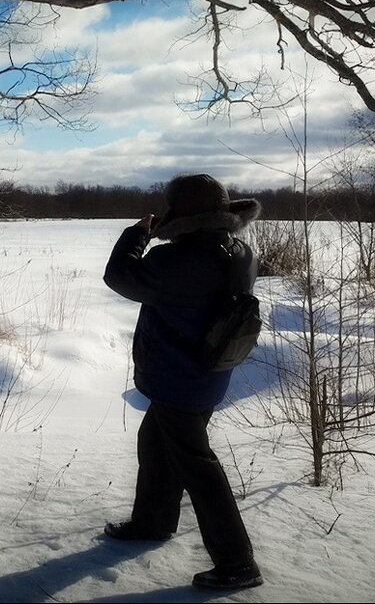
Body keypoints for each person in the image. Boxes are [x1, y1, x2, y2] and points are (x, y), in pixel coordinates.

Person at [102, 173, 263, 592]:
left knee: (199, 468)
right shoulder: (240, 252)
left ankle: (238, 564)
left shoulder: (173, 261)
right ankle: (152, 522)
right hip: (208, 374)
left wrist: (138, 234)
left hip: (178, 379)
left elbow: (119, 276)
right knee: (155, 442)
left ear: (179, 216)